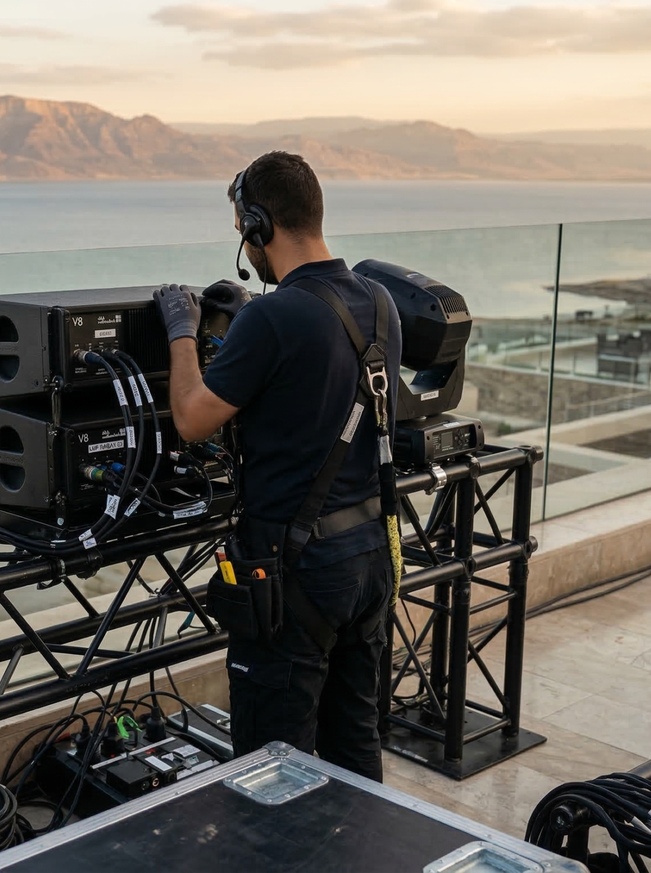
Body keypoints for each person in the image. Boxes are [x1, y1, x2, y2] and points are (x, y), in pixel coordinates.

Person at [154, 151, 402, 781]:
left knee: (273, 766)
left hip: (294, 572)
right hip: (371, 555)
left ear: (257, 226)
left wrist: (182, 331)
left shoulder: (272, 316)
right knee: (354, 742)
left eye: (244, 228)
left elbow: (191, 418)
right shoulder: (379, 302)